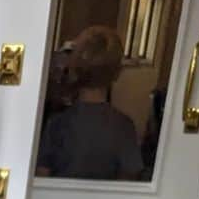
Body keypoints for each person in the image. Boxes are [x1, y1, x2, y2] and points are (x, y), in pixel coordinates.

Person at [36, 25, 144, 181]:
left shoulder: (57, 124)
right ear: (117, 72)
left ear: (74, 68)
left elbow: (42, 177)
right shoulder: (124, 126)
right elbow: (128, 181)